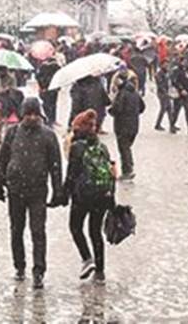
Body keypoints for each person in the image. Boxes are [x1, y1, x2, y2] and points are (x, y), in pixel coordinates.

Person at [0, 98, 64, 289]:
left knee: (38, 231)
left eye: (35, 114)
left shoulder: (48, 135)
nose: (32, 118)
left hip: (38, 190)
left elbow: (55, 165)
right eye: (28, 114)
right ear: (22, 115)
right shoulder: (12, 133)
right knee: (16, 230)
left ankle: (39, 270)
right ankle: (19, 265)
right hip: (15, 189)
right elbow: (3, 159)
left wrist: (58, 190)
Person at [63, 110, 114, 282]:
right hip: (102, 195)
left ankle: (87, 259)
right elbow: (111, 172)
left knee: (75, 227)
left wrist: (64, 194)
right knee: (95, 231)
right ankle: (100, 271)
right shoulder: (102, 147)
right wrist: (111, 198)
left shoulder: (77, 147)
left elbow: (71, 174)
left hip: (83, 196)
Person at [108, 79, 145, 180]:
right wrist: (133, 113)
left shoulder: (121, 94)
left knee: (124, 148)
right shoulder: (135, 93)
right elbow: (142, 107)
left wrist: (111, 110)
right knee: (127, 147)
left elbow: (117, 109)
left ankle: (128, 170)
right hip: (134, 125)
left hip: (122, 125)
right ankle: (129, 166)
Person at [169, 57, 188, 135]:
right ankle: (172, 125)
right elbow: (174, 81)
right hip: (179, 95)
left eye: (185, 61)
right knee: (176, 112)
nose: (184, 63)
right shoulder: (176, 70)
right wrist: (181, 89)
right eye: (183, 61)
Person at [35, 58, 60, 127]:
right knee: (52, 104)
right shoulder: (56, 67)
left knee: (47, 104)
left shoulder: (43, 67)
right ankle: (51, 119)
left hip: (46, 88)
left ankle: (49, 119)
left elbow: (37, 77)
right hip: (52, 88)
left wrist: (40, 86)